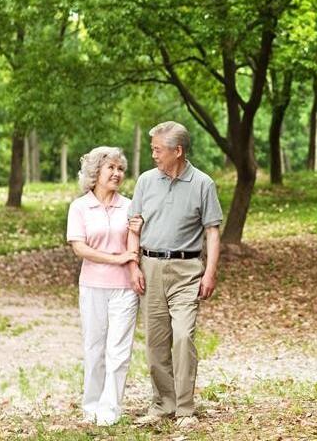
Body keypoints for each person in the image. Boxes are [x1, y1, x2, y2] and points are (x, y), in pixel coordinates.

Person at [126, 121, 222, 428]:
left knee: (182, 336)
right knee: (156, 341)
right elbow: (134, 225)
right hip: (150, 267)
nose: (153, 154)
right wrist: (133, 264)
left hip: (187, 270)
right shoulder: (145, 181)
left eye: (157, 149)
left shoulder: (203, 184)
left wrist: (210, 273)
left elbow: (212, 232)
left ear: (177, 151)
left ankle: (185, 408)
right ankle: (162, 403)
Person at [66, 146, 141, 426]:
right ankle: (91, 405)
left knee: (119, 351)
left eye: (120, 168)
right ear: (96, 172)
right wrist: (117, 257)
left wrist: (130, 260)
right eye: (111, 168)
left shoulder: (131, 205)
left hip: (124, 288)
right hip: (92, 286)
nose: (117, 173)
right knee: (94, 348)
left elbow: (134, 243)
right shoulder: (80, 207)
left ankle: (110, 409)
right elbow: (80, 248)